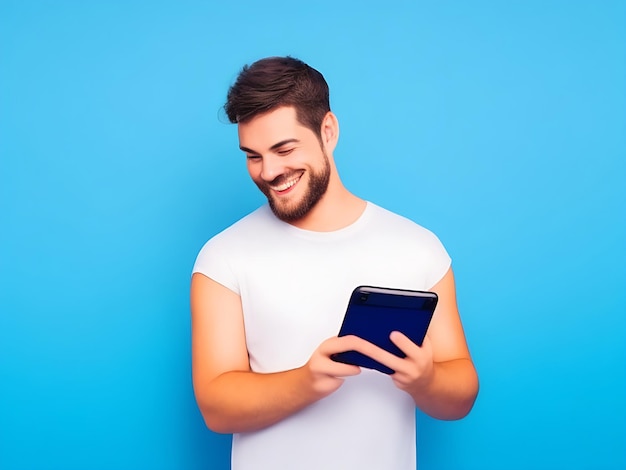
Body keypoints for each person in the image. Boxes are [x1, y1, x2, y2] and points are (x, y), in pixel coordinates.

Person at [191, 56, 478, 470]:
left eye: (284, 149)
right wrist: (307, 381)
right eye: (253, 156)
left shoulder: (418, 248)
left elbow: (461, 395)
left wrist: (427, 379)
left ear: (328, 131)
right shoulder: (223, 257)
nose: (269, 171)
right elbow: (216, 408)